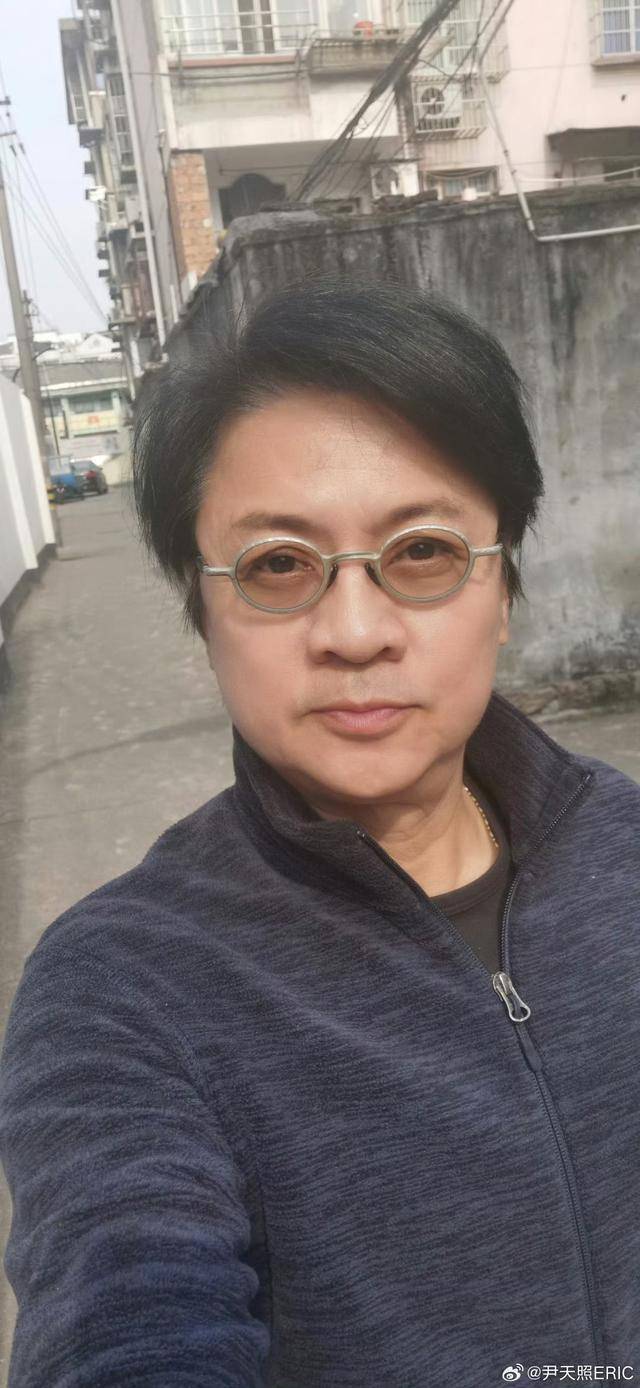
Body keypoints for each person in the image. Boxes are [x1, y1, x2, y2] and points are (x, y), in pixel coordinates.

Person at [1, 276, 638, 1386]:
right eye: (278, 565)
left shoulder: (626, 850)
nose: (354, 630)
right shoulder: (124, 986)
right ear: (204, 612)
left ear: (504, 587)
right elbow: (125, 1306)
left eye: (424, 552)